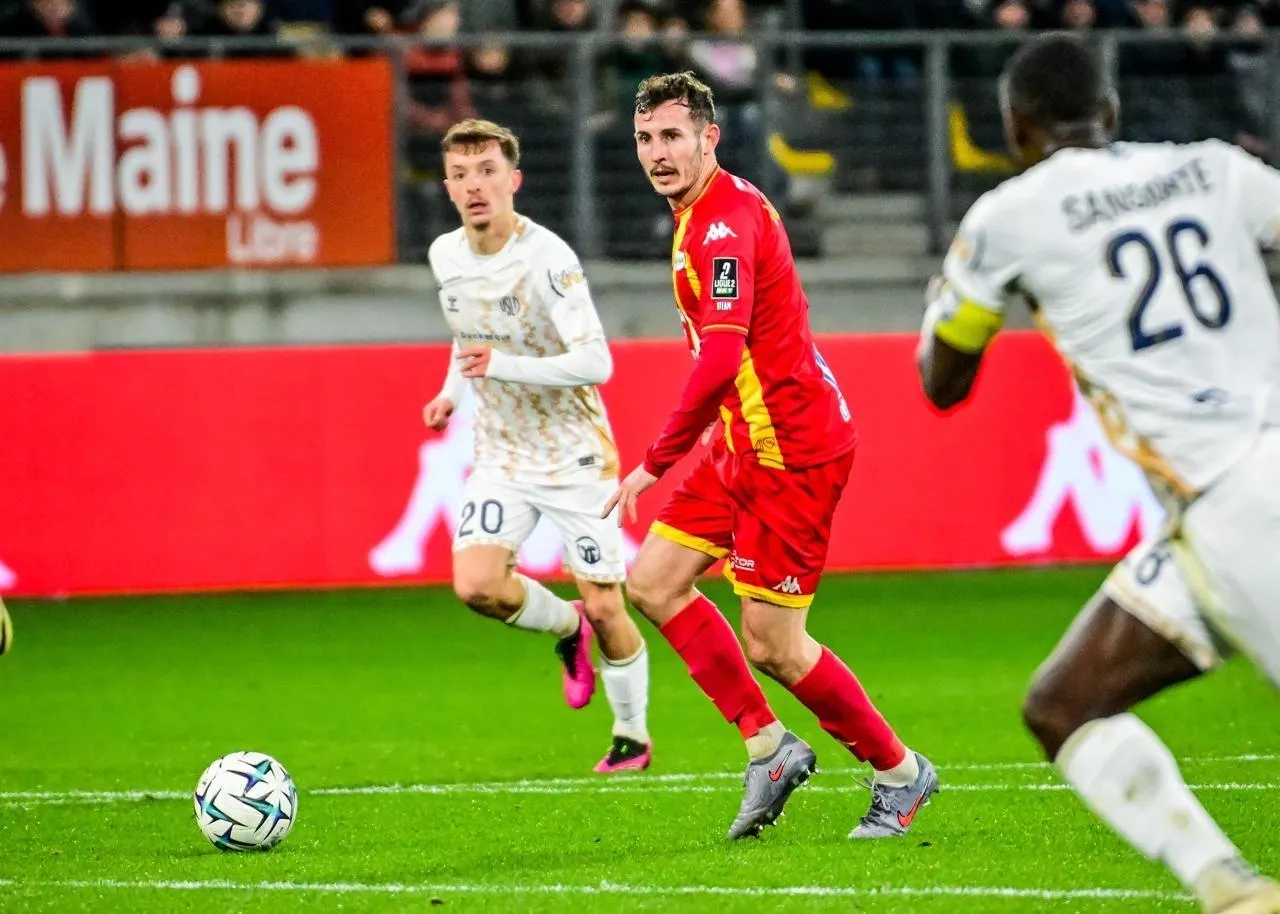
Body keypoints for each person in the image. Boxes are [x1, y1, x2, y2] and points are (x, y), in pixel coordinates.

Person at [918, 32, 1280, 914]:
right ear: (1111, 109)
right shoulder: (1214, 168)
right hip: (1209, 515)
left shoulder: (1008, 216)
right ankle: (1231, 891)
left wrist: (962, 304)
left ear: (1015, 128)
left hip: (1234, 503)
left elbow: (942, 382)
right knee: (1064, 704)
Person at [604, 72, 937, 840]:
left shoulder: (721, 226)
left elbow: (721, 358)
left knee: (774, 645)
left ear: (709, 138)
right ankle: (769, 747)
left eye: (673, 136)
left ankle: (900, 773)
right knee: (653, 582)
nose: (658, 153)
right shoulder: (705, 210)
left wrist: (654, 461)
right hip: (742, 438)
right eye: (646, 139)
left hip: (792, 448)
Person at [425, 119, 652, 774]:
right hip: (501, 452)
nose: (475, 186)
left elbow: (597, 362)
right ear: (448, 187)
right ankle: (566, 628)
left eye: (487, 171)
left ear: (514, 180)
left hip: (574, 451)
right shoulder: (445, 255)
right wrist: (451, 391)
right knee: (477, 586)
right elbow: (468, 334)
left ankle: (632, 736)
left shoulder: (548, 259)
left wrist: (502, 367)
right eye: (461, 175)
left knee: (608, 603)